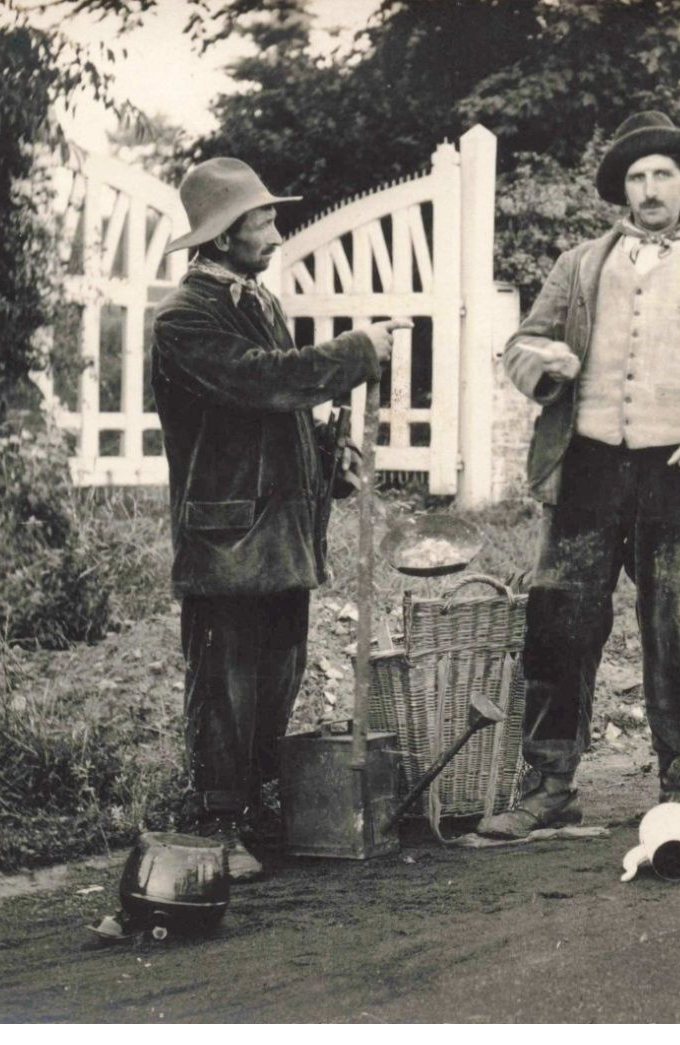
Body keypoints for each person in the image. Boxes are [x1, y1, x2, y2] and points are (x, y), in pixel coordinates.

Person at [479, 111, 680, 838]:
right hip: (585, 468)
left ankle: (678, 776)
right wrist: (543, 365)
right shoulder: (580, 264)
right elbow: (521, 344)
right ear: (622, 189)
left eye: (661, 176)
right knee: (559, 620)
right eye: (636, 177)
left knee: (677, 628)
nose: (647, 189)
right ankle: (549, 782)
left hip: (676, 474)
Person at [151, 157, 409, 878]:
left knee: (276, 674)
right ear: (224, 234)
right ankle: (215, 822)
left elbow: (279, 409)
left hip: (280, 533)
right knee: (224, 682)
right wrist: (357, 351)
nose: (275, 230)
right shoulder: (184, 320)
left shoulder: (256, 300)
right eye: (261, 220)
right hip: (227, 535)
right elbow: (261, 381)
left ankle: (258, 806)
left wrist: (327, 456)